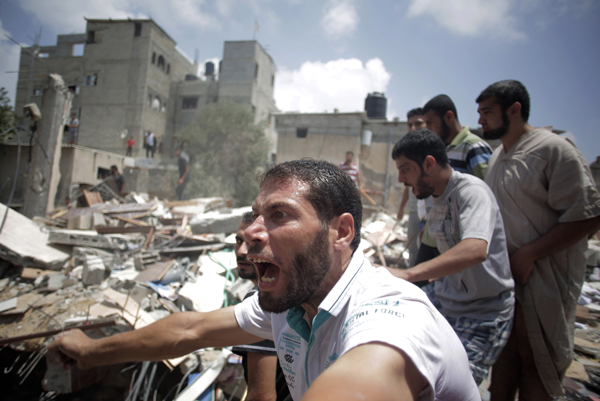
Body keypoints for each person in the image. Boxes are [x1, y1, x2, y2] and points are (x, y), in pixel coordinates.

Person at [49, 159, 480, 401]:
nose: (252, 233)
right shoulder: (294, 298)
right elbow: (190, 329)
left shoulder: (390, 317)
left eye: (279, 215)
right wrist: (89, 352)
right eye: (256, 215)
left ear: (341, 232)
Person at [476, 79, 600, 400]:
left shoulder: (553, 150)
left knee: (538, 364)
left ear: (514, 110)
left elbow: (587, 215)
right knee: (504, 356)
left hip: (544, 278)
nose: (480, 121)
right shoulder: (499, 157)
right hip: (508, 281)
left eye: (487, 112)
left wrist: (530, 254)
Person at [389, 130, 514, 385]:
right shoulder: (433, 198)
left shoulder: (472, 192)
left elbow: (475, 248)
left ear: (429, 164)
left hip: (483, 312)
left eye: (405, 169)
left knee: (449, 387)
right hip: (447, 299)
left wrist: (408, 274)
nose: (401, 178)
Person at [231, 212, 291, 401]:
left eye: (250, 243)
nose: (241, 251)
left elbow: (261, 396)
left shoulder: (264, 300)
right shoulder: (292, 293)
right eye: (238, 240)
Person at [397, 108, 427, 267]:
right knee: (413, 247)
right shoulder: (408, 151)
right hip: (415, 207)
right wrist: (401, 208)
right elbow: (407, 186)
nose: (413, 128)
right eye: (410, 125)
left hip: (431, 209)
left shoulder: (433, 151)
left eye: (418, 123)